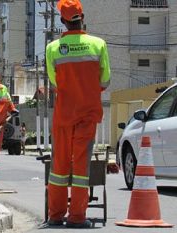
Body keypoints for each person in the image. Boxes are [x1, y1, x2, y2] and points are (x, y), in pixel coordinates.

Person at [45, 0, 110, 228]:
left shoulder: (53, 48)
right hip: (87, 115)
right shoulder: (98, 44)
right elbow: (105, 81)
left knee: (59, 166)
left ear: (62, 21)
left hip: (63, 115)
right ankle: (77, 217)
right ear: (83, 18)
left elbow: (54, 84)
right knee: (81, 167)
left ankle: (55, 215)